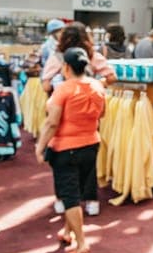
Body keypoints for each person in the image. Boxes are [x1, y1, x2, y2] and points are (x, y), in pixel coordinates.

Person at [34, 47, 106, 253]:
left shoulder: (63, 89)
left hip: (66, 149)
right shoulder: (97, 86)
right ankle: (68, 232)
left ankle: (82, 243)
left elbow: (52, 122)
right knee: (74, 192)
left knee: (69, 195)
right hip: (91, 145)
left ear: (66, 67)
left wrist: (40, 146)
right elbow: (102, 114)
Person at [41, 23, 115, 216]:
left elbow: (45, 84)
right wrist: (97, 83)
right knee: (89, 162)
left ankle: (62, 199)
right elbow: (111, 76)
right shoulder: (93, 57)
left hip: (63, 113)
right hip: (89, 118)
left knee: (61, 163)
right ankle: (91, 201)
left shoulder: (57, 58)